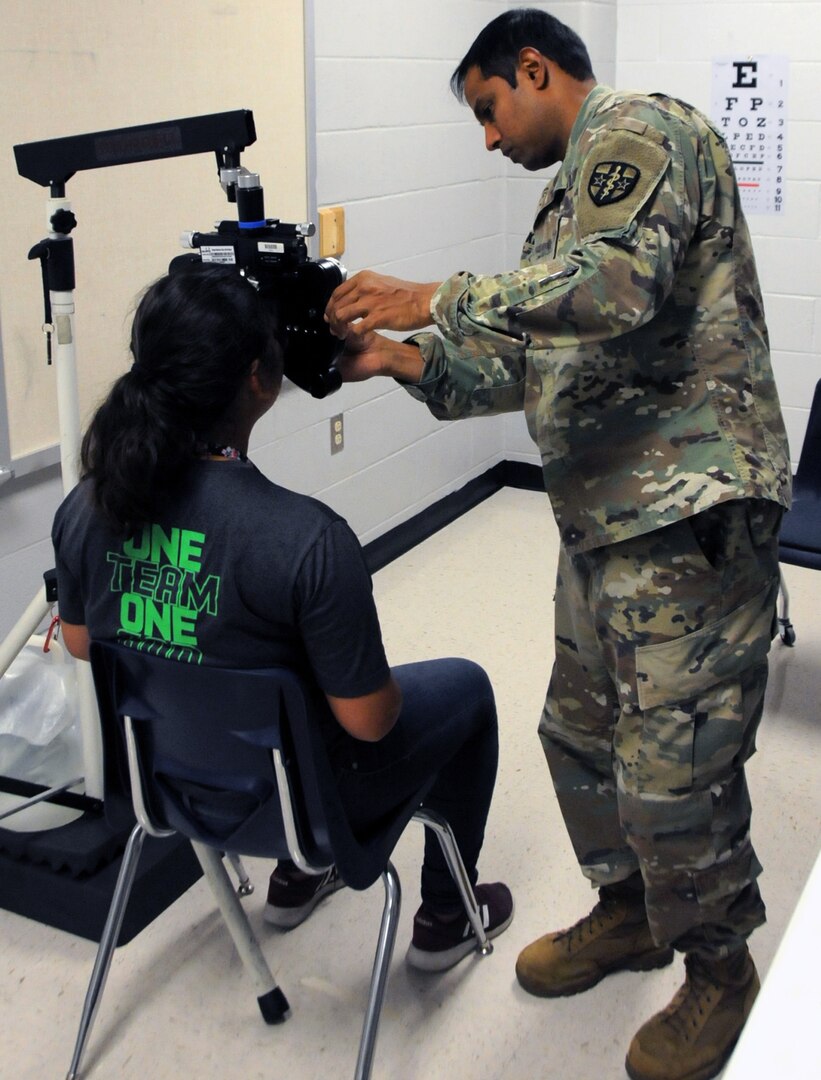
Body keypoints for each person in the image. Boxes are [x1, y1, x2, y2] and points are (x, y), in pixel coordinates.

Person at [323, 8, 791, 1079]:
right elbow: (539, 363)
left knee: (672, 771)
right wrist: (403, 360)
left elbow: (615, 289)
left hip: (685, 517)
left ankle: (720, 973)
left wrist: (432, 296)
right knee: (578, 738)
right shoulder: (562, 201)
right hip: (604, 521)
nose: (486, 139)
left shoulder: (635, 132)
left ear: (534, 68)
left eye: (488, 109)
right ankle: (626, 911)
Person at [50, 264, 513, 973]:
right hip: (310, 804)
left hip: (167, 789)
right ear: (260, 380)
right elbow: (370, 722)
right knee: (467, 690)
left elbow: (84, 644)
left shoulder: (86, 508)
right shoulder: (304, 539)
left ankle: (296, 880)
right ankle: (446, 917)